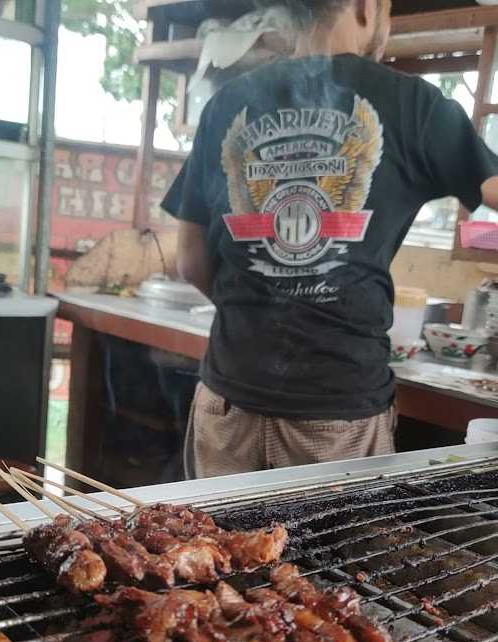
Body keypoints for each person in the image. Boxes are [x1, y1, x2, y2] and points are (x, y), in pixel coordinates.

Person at [161, 0, 498, 479]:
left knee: (212, 552)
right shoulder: (414, 105)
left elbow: (190, 261)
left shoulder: (228, 103)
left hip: (228, 401)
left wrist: (260, 303)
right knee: (327, 556)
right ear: (368, 5)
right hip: (335, 414)